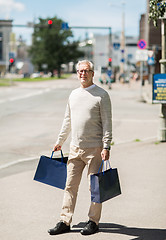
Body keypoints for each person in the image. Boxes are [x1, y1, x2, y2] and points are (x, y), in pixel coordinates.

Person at [48, 60, 112, 235]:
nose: (83, 74)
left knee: (95, 188)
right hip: (75, 149)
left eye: (86, 71)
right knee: (70, 186)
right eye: (80, 71)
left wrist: (106, 146)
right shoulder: (73, 94)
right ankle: (65, 221)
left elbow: (107, 123)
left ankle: (93, 221)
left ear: (93, 73)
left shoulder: (102, 95)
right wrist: (60, 141)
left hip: (95, 149)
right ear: (77, 73)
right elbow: (67, 120)